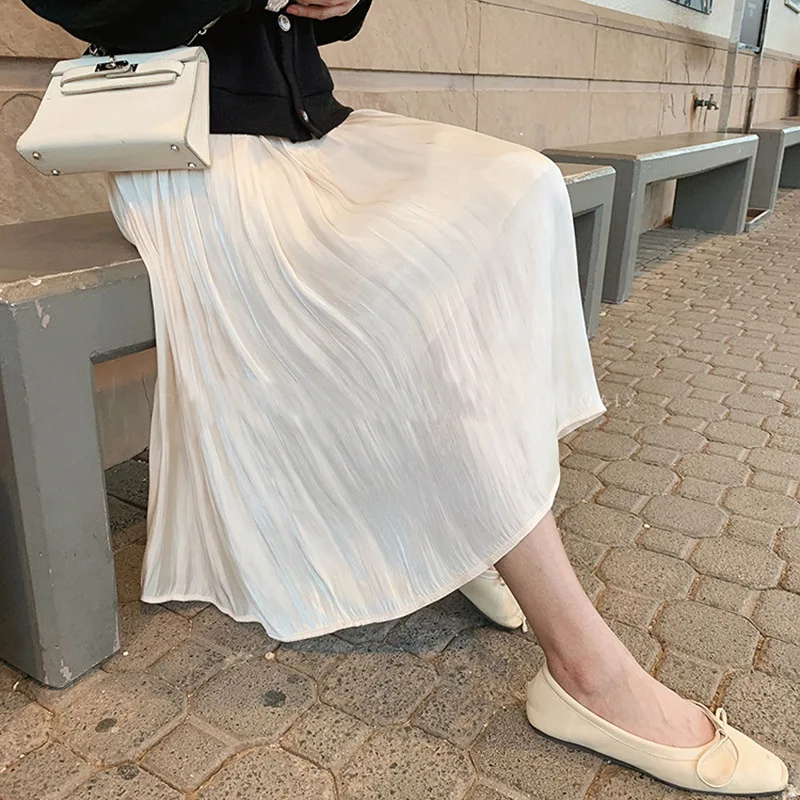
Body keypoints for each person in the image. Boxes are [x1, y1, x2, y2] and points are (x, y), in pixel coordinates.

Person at [22, 0, 787, 794]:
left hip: (317, 131)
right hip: (194, 149)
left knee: (524, 186)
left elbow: (326, 26)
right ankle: (586, 672)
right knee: (406, 283)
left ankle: (474, 517)